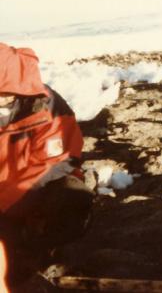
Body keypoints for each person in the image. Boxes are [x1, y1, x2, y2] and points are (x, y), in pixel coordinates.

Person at [0, 43, 92, 285]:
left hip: (30, 195)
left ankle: (39, 253)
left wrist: (5, 207)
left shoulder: (46, 107)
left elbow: (54, 164)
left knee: (72, 194)